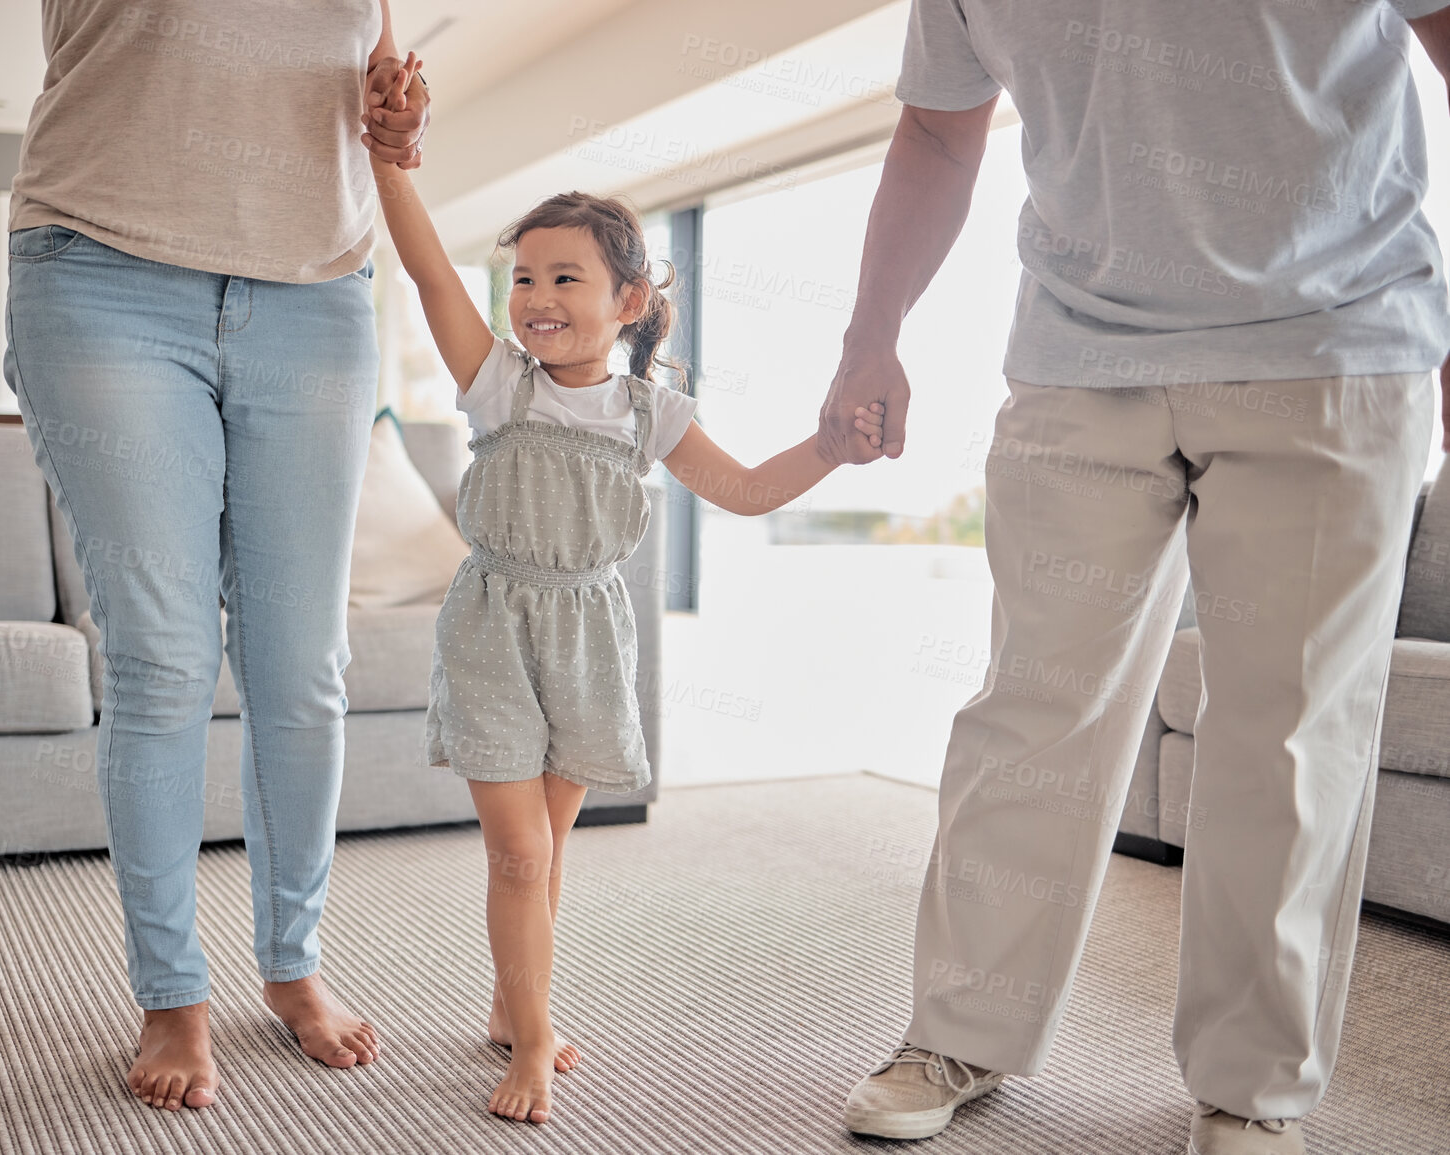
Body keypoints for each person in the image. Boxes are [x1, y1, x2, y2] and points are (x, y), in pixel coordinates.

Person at [819, 3, 1450, 1152]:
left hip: (1333, 343)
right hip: (1077, 354)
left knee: (1290, 733)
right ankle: (962, 1029)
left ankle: (1252, 1087)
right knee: (1031, 711)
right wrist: (872, 334)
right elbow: (939, 134)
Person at [365, 55, 865, 1124]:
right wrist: (391, 163)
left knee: (547, 853)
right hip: (497, 625)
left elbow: (741, 489)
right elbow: (428, 279)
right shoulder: (499, 382)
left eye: (565, 278)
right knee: (517, 849)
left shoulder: (653, 412)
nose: (536, 299)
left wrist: (827, 448)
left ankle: (514, 1003)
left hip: (591, 633)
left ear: (629, 300)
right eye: (527, 278)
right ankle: (537, 1039)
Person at [2, 2, 429, 1112]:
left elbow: (368, 81)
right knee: (164, 658)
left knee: (304, 670)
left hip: (315, 288)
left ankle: (292, 966)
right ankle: (172, 993)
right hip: (101, 268)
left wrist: (396, 114)